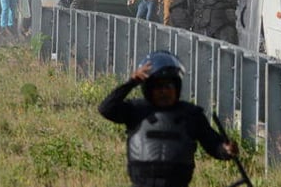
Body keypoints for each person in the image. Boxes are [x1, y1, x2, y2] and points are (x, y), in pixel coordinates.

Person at [99, 50, 238, 187]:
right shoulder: (136, 111)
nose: (164, 91)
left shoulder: (191, 115)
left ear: (177, 87)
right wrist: (132, 82)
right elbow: (106, 109)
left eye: (169, 86)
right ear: (148, 89)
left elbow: (213, 144)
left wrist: (225, 150)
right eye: (158, 87)